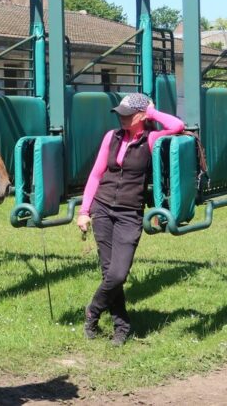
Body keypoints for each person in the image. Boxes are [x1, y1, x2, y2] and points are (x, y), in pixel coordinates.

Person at [77, 92, 184, 346]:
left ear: (140, 116)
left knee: (118, 274)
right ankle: (121, 326)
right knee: (108, 273)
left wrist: (153, 112)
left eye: (127, 114)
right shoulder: (110, 137)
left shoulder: (151, 139)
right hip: (102, 209)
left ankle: (92, 309)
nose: (122, 118)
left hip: (129, 213)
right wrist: (84, 211)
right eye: (120, 114)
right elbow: (95, 175)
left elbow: (177, 126)